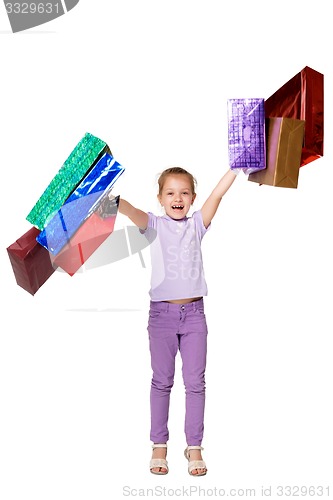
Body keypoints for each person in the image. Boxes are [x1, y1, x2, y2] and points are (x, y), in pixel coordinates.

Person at [118, 166, 237, 476]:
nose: (177, 198)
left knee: (196, 383)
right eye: (170, 192)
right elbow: (131, 212)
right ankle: (159, 444)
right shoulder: (154, 225)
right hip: (161, 317)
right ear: (160, 198)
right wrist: (116, 203)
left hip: (195, 316)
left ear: (192, 198)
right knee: (162, 381)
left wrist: (236, 168)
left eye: (184, 192)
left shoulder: (197, 224)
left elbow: (218, 194)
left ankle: (194, 446)